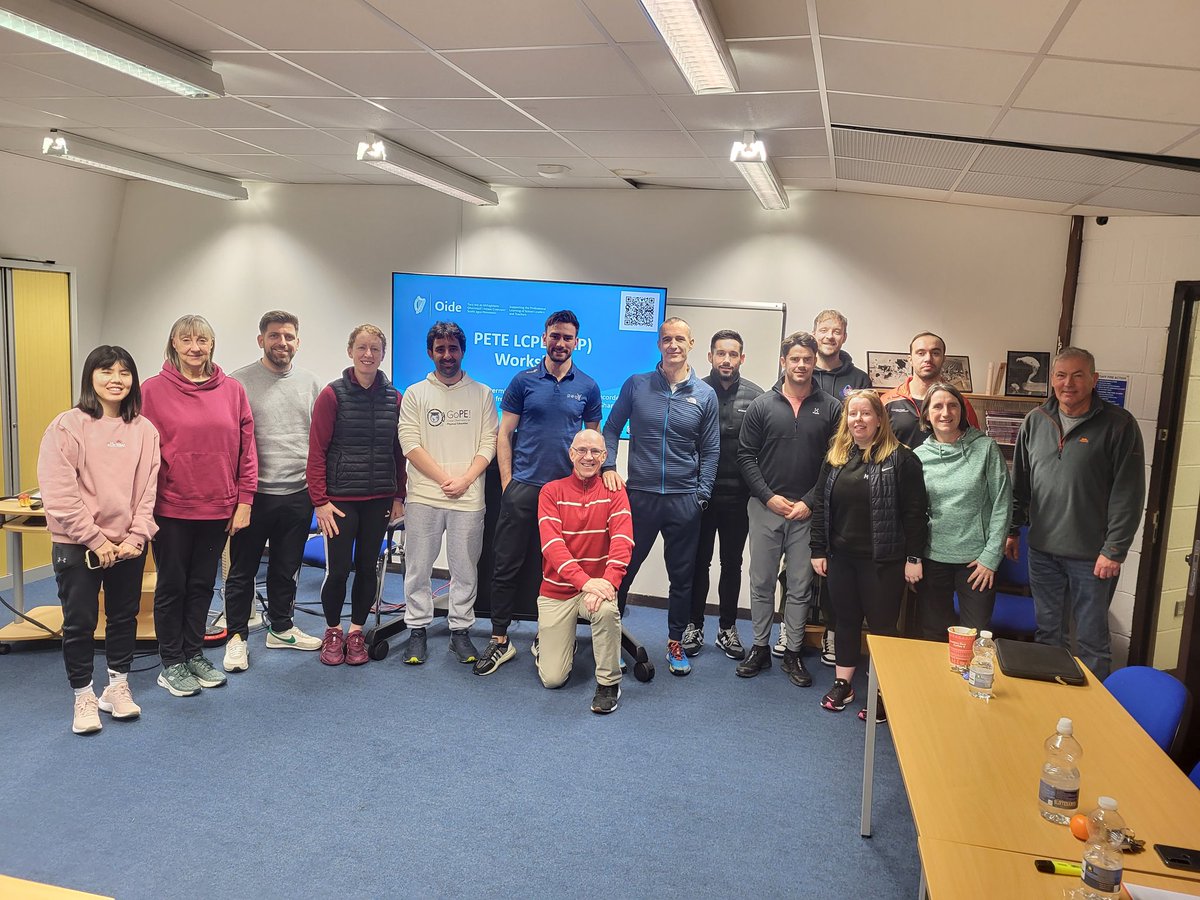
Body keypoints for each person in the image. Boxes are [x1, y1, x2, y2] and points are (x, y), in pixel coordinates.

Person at [38, 346, 160, 734]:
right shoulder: (67, 426)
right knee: (80, 622)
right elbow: (60, 495)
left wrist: (137, 535)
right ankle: (83, 696)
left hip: (127, 544)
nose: (116, 379)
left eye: (124, 372)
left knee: (124, 616)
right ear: (90, 376)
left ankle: (117, 687)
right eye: (107, 371)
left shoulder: (144, 430)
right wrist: (95, 540)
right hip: (77, 544)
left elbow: (147, 492)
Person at [473, 310, 601, 676]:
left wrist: (591, 482)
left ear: (577, 342)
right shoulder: (522, 381)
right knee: (506, 564)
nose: (561, 343)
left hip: (566, 493)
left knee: (561, 569)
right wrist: (508, 483)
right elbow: (504, 434)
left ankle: (550, 636)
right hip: (524, 488)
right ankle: (500, 640)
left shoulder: (589, 387)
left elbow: (591, 443)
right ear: (544, 337)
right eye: (555, 336)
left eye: (568, 338)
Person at [1008, 347, 1145, 681]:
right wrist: (1013, 530)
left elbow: (1128, 494)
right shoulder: (1035, 421)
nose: (1068, 383)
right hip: (1042, 551)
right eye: (1060, 375)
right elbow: (1020, 484)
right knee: (1047, 633)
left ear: (1093, 379)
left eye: (1078, 375)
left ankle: (1092, 716)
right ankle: (1048, 701)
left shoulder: (1118, 424)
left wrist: (1114, 550)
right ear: (1051, 380)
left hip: (1092, 557)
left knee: (1091, 639)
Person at [141, 315, 257, 697]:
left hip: (218, 506)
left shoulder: (233, 390)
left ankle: (193, 653)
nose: (195, 347)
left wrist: (245, 500)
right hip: (171, 507)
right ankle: (170, 661)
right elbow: (141, 452)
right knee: (172, 585)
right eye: (186, 340)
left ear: (212, 344)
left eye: (202, 340)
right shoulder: (152, 391)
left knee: (203, 584)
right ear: (173, 343)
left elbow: (247, 451)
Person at [602, 317, 719, 677]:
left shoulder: (704, 395)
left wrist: (701, 495)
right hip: (639, 497)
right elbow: (610, 428)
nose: (673, 345)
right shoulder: (637, 385)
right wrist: (609, 466)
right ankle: (612, 640)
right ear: (659, 344)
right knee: (623, 570)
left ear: (691, 343)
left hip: (684, 500)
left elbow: (711, 449)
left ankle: (675, 642)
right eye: (667, 339)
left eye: (680, 339)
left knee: (682, 577)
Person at [810, 390, 927, 723]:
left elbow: (916, 513)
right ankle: (843, 684)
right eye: (853, 414)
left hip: (884, 561)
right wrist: (818, 549)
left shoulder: (902, 459)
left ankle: (882, 690)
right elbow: (821, 507)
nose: (858, 420)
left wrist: (914, 558)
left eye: (865, 414)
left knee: (882, 627)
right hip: (841, 558)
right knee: (844, 622)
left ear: (879, 419)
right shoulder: (835, 457)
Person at [221, 311, 324, 673]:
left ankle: (281, 628)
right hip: (253, 496)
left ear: (298, 341)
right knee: (242, 571)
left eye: (289, 337)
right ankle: (236, 638)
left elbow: (320, 440)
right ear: (261, 339)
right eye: (275, 336)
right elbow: (229, 442)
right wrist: (237, 498)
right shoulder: (238, 383)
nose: (283, 343)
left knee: (285, 568)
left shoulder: (312, 384)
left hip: (297, 493)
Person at [736, 332, 841, 686]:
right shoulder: (762, 405)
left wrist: (810, 501)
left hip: (807, 512)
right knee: (761, 582)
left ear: (815, 362)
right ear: (783, 362)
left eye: (807, 360)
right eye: (794, 359)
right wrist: (767, 496)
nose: (800, 365)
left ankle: (793, 652)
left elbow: (835, 461)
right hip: (765, 507)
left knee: (800, 585)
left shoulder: (831, 407)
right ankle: (761, 647)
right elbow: (745, 456)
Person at [399, 321, 498, 666]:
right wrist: (445, 479)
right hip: (425, 496)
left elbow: (489, 443)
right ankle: (417, 629)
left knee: (465, 569)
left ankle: (460, 631)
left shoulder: (483, 393)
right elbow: (409, 443)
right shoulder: (415, 394)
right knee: (418, 567)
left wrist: (465, 480)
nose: (446, 355)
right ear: (430, 353)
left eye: (453, 348)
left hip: (468, 498)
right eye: (440, 349)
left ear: (462, 351)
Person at [308, 324, 406, 667]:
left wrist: (399, 497)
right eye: (362, 347)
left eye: (375, 349)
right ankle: (332, 631)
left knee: (367, 569)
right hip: (339, 502)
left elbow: (399, 452)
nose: (368, 354)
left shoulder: (395, 398)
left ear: (382, 355)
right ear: (350, 351)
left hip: (379, 499)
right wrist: (320, 501)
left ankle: (355, 632)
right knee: (337, 571)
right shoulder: (331, 395)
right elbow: (317, 451)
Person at [535, 430, 634, 713]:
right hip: (558, 591)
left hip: (597, 589)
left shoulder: (615, 491)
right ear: (571, 454)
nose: (587, 457)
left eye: (595, 452)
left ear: (604, 457)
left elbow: (623, 541)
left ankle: (608, 683)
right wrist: (586, 582)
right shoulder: (550, 492)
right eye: (581, 450)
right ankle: (554, 642)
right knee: (553, 679)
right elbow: (552, 547)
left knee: (606, 611)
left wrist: (608, 582)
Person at [682, 329, 762, 661]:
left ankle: (727, 629)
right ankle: (693, 625)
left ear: (742, 358)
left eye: (733, 354)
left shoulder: (756, 397)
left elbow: (761, 451)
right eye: (720, 353)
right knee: (698, 564)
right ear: (710, 356)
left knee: (732, 565)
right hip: (700, 498)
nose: (726, 360)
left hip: (738, 500)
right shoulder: (696, 392)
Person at [912, 382, 1011, 640]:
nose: (945, 412)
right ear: (926, 415)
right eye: (938, 406)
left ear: (962, 411)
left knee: (974, 635)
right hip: (933, 558)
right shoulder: (918, 456)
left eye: (952, 405)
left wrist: (991, 557)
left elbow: (1002, 503)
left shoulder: (986, 448)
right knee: (932, 633)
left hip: (976, 562)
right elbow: (912, 512)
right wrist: (913, 557)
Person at [880, 332, 979, 448]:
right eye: (921, 353)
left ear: (943, 359)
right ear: (910, 359)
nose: (928, 358)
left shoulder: (959, 403)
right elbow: (875, 443)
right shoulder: (887, 401)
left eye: (935, 353)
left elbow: (975, 444)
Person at [811, 309, 871, 400]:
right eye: (824, 330)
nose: (830, 336)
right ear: (814, 335)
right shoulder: (800, 374)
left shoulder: (860, 379)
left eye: (837, 332)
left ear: (844, 338)